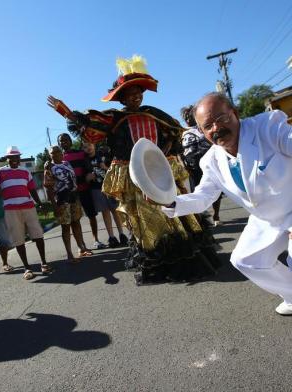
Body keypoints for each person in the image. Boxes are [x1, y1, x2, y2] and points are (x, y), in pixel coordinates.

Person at [48, 55, 220, 284]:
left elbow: (174, 133)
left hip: (161, 170)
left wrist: (162, 154)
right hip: (134, 174)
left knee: (174, 210)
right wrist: (66, 112)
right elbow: (90, 126)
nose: (135, 98)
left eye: (138, 93)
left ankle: (186, 258)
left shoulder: (154, 112)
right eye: (130, 95)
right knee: (146, 217)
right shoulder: (115, 119)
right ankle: (160, 263)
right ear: (122, 98)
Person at [162, 92, 292, 315]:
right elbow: (204, 196)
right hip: (265, 219)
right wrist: (170, 202)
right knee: (244, 260)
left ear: (236, 113)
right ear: (201, 132)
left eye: (221, 118)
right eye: (208, 125)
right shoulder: (211, 160)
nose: (216, 128)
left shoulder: (268, 126)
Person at [0, 146, 53, 280]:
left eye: (17, 157)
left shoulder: (25, 172)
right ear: (7, 158)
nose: (15, 159)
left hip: (28, 207)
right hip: (11, 210)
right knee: (18, 239)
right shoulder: (0, 172)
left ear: (19, 158)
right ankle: (27, 268)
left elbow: (32, 190)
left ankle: (44, 263)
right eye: (12, 157)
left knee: (38, 235)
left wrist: (40, 203)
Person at [57, 133, 106, 250]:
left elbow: (89, 167)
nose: (64, 142)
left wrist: (91, 174)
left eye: (66, 140)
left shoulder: (80, 153)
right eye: (61, 141)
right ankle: (81, 245)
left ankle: (96, 240)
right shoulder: (58, 159)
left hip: (84, 190)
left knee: (91, 215)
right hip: (70, 194)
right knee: (75, 220)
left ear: (71, 141)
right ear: (59, 144)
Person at [44, 146, 92, 263]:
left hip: (74, 197)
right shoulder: (49, 168)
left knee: (76, 222)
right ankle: (69, 254)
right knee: (66, 226)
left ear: (62, 153)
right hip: (62, 200)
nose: (55, 154)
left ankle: (82, 248)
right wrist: (55, 206)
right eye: (52, 153)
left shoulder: (67, 163)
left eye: (57, 152)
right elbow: (49, 189)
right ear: (50, 155)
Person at [180, 105, 222, 226]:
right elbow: (180, 152)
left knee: (216, 189)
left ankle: (216, 215)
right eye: (186, 116)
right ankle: (203, 217)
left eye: (190, 115)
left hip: (208, 164)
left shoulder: (203, 128)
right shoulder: (181, 133)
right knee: (197, 191)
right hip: (192, 168)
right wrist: (184, 165)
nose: (188, 118)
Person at [82, 141, 128, 248]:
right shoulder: (85, 161)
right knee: (105, 212)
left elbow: (113, 170)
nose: (88, 148)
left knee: (115, 210)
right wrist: (88, 178)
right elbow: (85, 177)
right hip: (96, 189)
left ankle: (122, 234)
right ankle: (111, 237)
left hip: (109, 187)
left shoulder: (103, 155)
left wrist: (105, 167)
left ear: (94, 145)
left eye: (89, 144)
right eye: (85, 146)